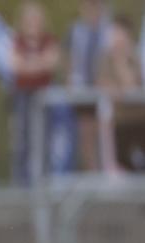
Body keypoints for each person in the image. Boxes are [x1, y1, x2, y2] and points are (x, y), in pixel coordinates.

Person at [10, 1, 60, 184]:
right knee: (22, 140)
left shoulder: (49, 40)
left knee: (44, 139)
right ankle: (20, 183)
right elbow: (15, 66)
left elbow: (51, 62)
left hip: (44, 97)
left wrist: (29, 65)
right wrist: (37, 64)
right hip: (22, 96)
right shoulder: (17, 41)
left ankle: (44, 181)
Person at [67, 0, 111, 171]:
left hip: (105, 91)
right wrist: (70, 78)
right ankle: (92, 172)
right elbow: (70, 59)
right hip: (83, 89)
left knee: (105, 132)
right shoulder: (76, 31)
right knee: (86, 133)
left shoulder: (109, 31)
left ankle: (106, 171)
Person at [96, 15, 145, 171]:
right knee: (121, 161)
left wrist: (122, 60)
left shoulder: (134, 57)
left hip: (138, 117)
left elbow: (132, 83)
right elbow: (102, 83)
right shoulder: (105, 58)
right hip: (118, 119)